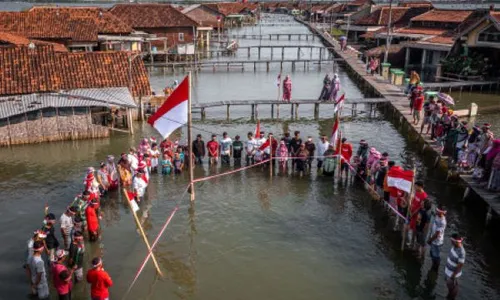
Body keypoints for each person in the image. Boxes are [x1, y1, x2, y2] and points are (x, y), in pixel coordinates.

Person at [445, 233, 466, 300]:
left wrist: (453, 276)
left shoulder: (461, 252)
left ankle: (451, 297)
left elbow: (460, 265)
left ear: (456, 242)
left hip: (453, 275)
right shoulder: (455, 246)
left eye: (452, 241)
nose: (451, 242)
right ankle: (449, 295)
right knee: (449, 286)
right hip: (448, 272)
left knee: (453, 287)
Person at [407, 181, 428, 247]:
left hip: (417, 216)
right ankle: (411, 242)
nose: (415, 187)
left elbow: (420, 207)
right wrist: (410, 209)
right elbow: (413, 201)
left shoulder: (424, 196)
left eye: (416, 186)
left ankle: (414, 244)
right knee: (411, 229)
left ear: (420, 187)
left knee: (415, 231)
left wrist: (413, 213)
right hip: (412, 213)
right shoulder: (416, 192)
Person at [428, 204, 447, 270]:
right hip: (433, 239)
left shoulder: (443, 222)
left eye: (438, 211)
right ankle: (434, 263)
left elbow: (437, 234)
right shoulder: (437, 215)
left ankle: (435, 267)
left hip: (437, 242)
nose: (437, 211)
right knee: (432, 253)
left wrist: (430, 240)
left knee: (436, 256)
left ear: (442, 212)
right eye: (437, 210)